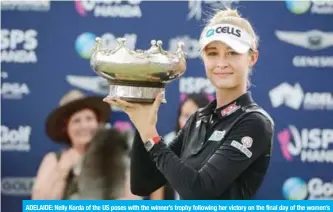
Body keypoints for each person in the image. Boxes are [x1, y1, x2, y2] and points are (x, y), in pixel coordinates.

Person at [104, 8, 274, 200]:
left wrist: (150, 134)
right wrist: (141, 124)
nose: (221, 63)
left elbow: (200, 191)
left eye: (232, 53)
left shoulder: (254, 122)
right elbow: (144, 183)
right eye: (212, 53)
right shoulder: (198, 119)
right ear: (203, 58)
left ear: (252, 58)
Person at [32, 90, 141, 200]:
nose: (84, 126)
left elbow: (133, 201)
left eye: (89, 119)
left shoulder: (116, 156)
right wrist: (62, 170)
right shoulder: (54, 160)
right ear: (66, 128)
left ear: (98, 123)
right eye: (76, 121)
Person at [151, 93, 211, 200]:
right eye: (184, 116)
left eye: (192, 116)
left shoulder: (216, 144)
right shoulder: (167, 143)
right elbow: (157, 191)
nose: (186, 121)